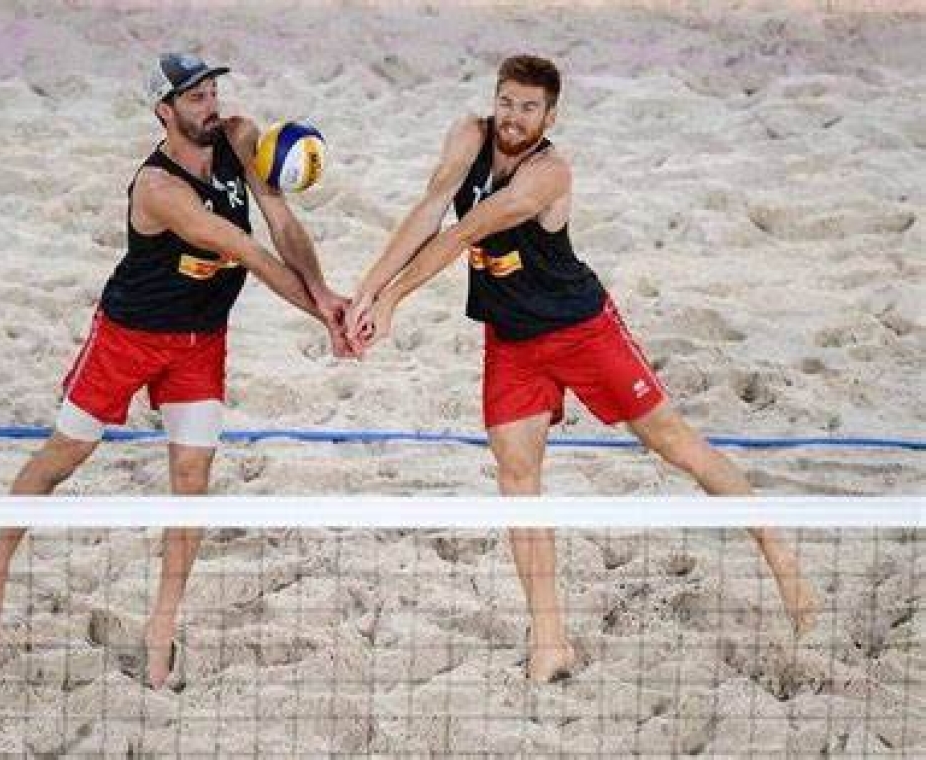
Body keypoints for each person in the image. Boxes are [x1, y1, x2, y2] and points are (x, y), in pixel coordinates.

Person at [345, 54, 819, 682]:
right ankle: (550, 643)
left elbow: (463, 232)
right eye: (506, 102)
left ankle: (780, 557)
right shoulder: (469, 135)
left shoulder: (548, 173)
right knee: (518, 486)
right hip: (512, 340)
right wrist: (365, 293)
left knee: (674, 443)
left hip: (580, 331)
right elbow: (431, 207)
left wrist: (392, 301)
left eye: (528, 108)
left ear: (550, 115)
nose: (513, 117)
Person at [0, 52, 351, 690]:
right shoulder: (159, 189)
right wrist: (327, 318)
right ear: (164, 111)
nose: (210, 104)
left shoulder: (238, 137)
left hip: (200, 342)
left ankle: (160, 633)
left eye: (211, 90)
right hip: (129, 337)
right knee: (64, 456)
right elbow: (250, 253)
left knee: (191, 479)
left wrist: (326, 292)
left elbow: (281, 222)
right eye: (194, 97)